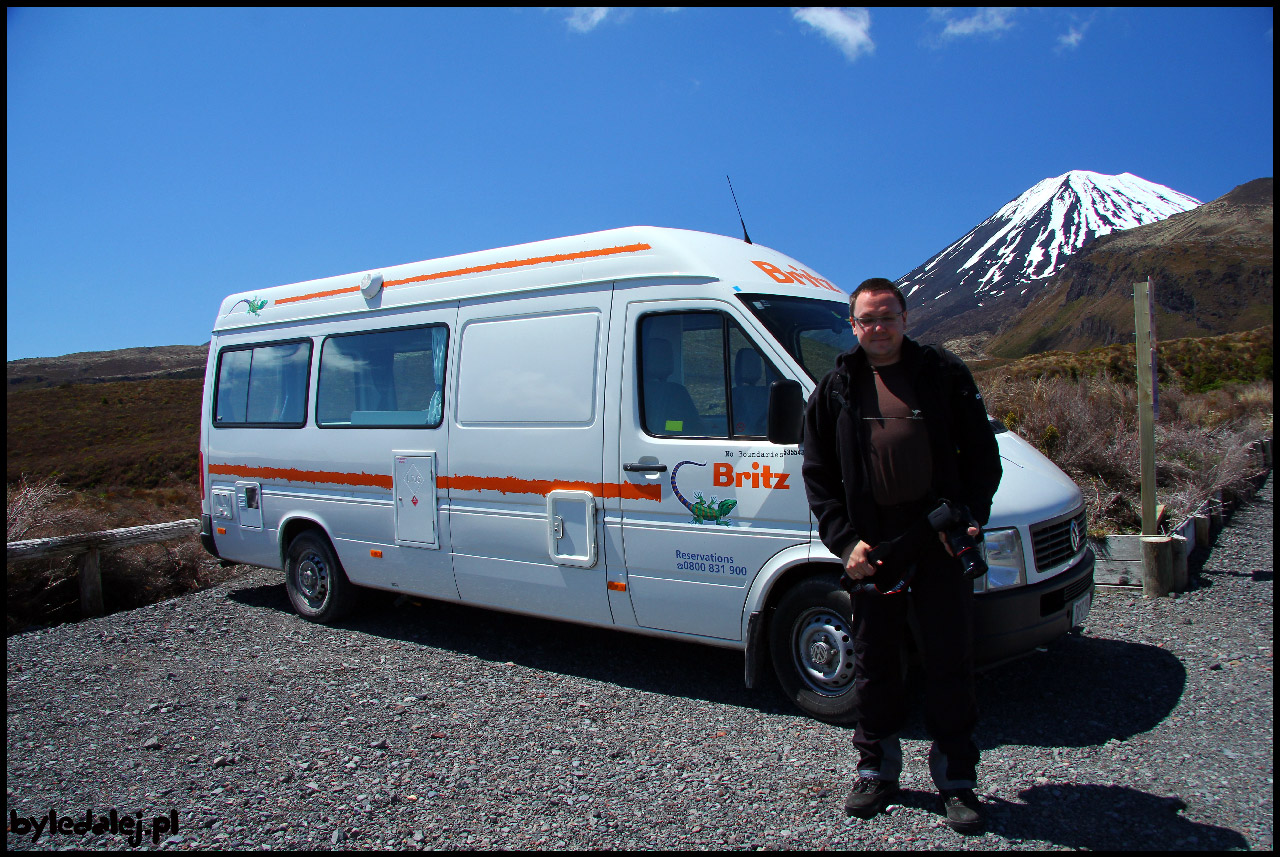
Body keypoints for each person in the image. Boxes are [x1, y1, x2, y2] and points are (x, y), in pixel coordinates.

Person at [800, 277, 1002, 833]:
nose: (878, 328)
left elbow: (984, 456)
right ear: (854, 324)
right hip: (872, 545)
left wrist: (968, 516)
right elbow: (817, 473)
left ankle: (957, 781)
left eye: (887, 316)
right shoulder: (837, 386)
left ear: (907, 318)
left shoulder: (943, 374)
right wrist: (844, 541)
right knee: (875, 661)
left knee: (949, 660)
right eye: (867, 319)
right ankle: (876, 771)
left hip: (936, 536)